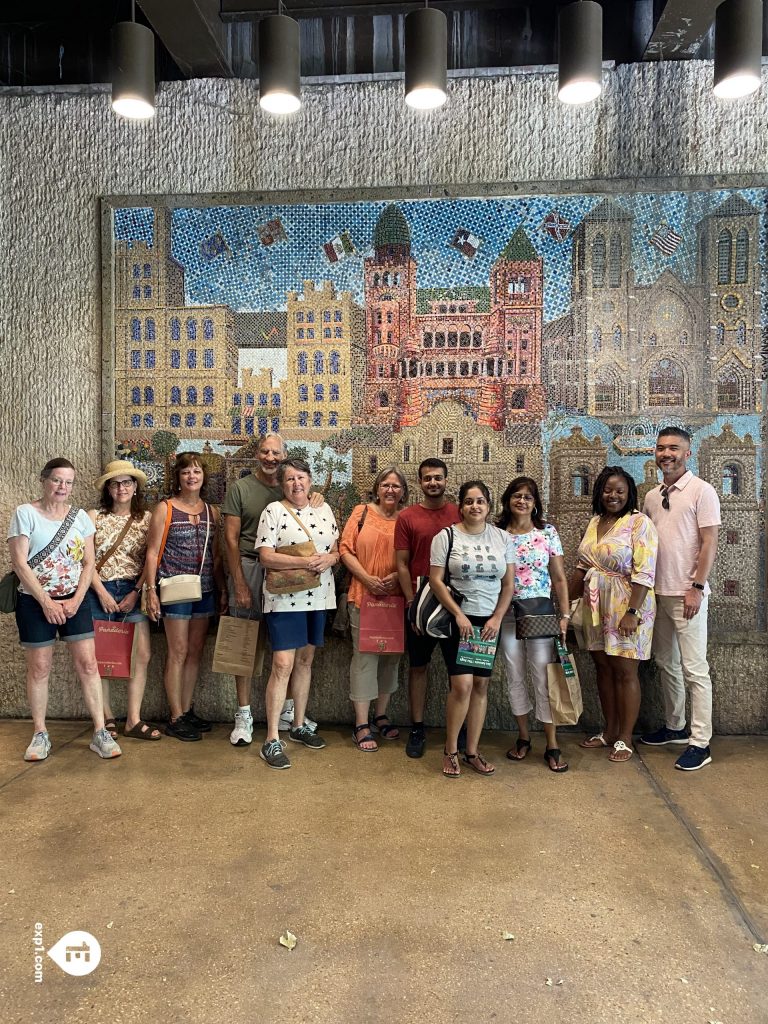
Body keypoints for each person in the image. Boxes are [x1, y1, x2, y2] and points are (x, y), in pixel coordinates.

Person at [7, 457, 121, 761]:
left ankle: (100, 731)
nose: (62, 487)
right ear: (44, 480)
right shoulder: (25, 514)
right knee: (40, 667)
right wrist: (46, 601)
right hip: (34, 602)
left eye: (68, 482)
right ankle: (40, 733)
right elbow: (19, 562)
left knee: (88, 665)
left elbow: (88, 562)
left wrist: (75, 599)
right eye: (57, 480)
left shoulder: (80, 517)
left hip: (74, 600)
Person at [222, 433, 322, 746]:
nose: (270, 457)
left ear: (284, 456)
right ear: (257, 454)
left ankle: (288, 711)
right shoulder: (241, 488)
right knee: (244, 642)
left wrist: (316, 496)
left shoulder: (290, 486)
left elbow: (307, 505)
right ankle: (243, 713)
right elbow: (230, 539)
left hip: (290, 573)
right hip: (250, 566)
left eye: (275, 453)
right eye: (265, 452)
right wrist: (238, 580)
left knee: (288, 647)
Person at [640, 427, 721, 771]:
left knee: (694, 669)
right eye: (661, 448)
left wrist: (697, 587)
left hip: (688, 594)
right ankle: (675, 726)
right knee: (666, 663)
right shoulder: (651, 496)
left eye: (673, 448)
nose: (666, 453)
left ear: (688, 452)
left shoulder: (702, 491)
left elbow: (709, 542)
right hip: (658, 594)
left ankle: (700, 742)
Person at [570, 467, 658, 764]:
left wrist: (632, 612)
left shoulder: (639, 523)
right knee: (603, 669)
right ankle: (608, 731)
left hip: (627, 604)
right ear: (599, 492)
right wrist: (560, 602)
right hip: (595, 606)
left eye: (620, 490)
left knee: (625, 672)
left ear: (629, 493)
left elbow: (646, 572)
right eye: (608, 490)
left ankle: (625, 738)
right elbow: (582, 567)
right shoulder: (595, 522)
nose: (613, 496)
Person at [255, 458, 339, 769]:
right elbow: (265, 556)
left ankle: (299, 723)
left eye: (301, 477)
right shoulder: (273, 511)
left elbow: (337, 548)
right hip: (284, 598)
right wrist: (305, 563)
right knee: (282, 664)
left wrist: (330, 560)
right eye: (289, 479)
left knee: (305, 660)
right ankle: (272, 738)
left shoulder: (323, 509)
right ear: (281, 484)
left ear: (310, 480)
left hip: (318, 596)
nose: (296, 484)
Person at [429, 480, 516, 778]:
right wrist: (458, 615)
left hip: (489, 623)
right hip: (460, 621)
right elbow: (436, 580)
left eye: (480, 501)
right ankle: (450, 750)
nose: (474, 506)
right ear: (461, 506)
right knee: (462, 686)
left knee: (481, 685)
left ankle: (472, 752)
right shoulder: (446, 537)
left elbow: (508, 584)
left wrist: (496, 618)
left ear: (489, 506)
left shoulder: (503, 538)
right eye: (468, 501)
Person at [144, 452, 226, 741]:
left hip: (203, 590)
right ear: (177, 477)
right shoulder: (165, 509)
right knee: (177, 651)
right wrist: (150, 590)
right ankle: (175, 715)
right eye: (186, 473)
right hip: (174, 588)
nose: (192, 477)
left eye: (196, 472)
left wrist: (221, 589)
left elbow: (215, 556)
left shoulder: (211, 512)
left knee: (194, 652)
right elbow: (152, 552)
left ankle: (187, 708)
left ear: (204, 477)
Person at [496, 477, 571, 773]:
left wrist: (564, 616)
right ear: (508, 500)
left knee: (543, 676)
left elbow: (560, 578)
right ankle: (524, 736)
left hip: (540, 614)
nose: (522, 501)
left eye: (528, 496)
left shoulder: (547, 532)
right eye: (516, 495)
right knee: (515, 675)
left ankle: (552, 743)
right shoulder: (498, 534)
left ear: (535, 502)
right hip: (508, 614)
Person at [88, 460, 160, 740]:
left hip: (132, 590)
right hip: (99, 590)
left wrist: (137, 591)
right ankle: (106, 717)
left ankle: (133, 718)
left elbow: (151, 559)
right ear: (108, 487)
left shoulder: (146, 518)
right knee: (100, 657)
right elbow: (86, 560)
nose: (121, 488)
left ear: (135, 487)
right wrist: (102, 592)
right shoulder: (94, 516)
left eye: (127, 482)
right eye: (115, 483)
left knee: (141, 654)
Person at [395, 458, 459, 758]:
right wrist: (410, 602)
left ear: (446, 480)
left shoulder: (460, 514)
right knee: (418, 666)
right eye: (427, 478)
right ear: (419, 482)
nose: (433, 483)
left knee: (456, 671)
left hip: (455, 599)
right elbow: (402, 563)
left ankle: (456, 732)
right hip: (421, 598)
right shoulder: (407, 517)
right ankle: (417, 726)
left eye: (438, 478)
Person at [341, 468, 408, 753]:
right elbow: (345, 549)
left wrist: (396, 578)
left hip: (395, 599)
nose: (390, 490)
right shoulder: (361, 513)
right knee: (365, 657)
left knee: (391, 658)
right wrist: (366, 578)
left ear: (403, 491)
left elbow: (413, 554)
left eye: (396, 485)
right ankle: (361, 723)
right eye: (385, 484)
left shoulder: (406, 519)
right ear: (377, 488)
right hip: (363, 596)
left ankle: (380, 714)